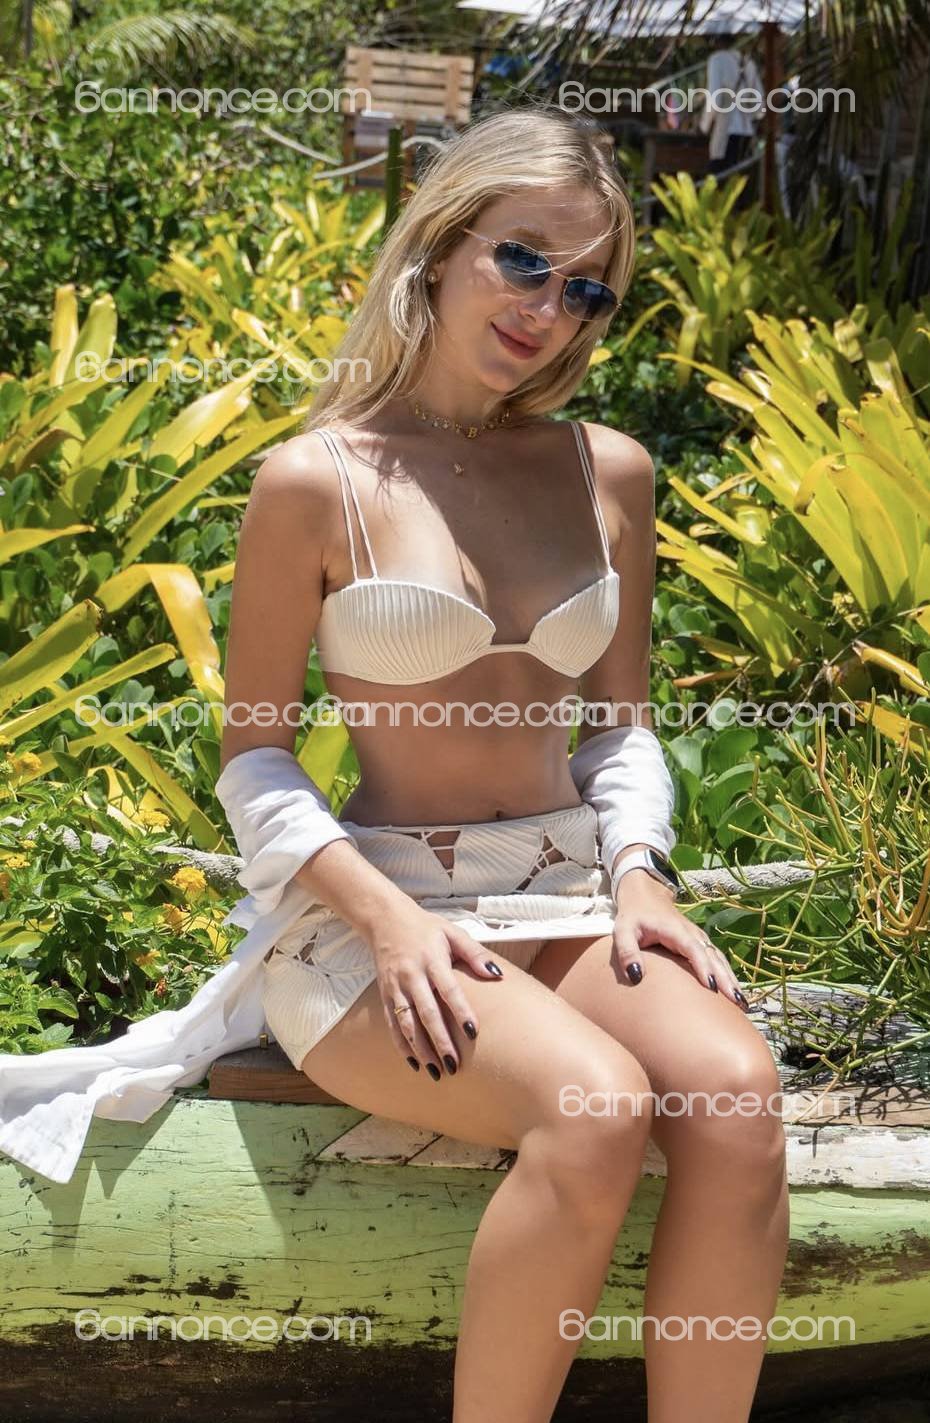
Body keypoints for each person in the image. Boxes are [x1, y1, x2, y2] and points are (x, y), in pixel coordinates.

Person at [217, 105, 789, 1422]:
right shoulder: (314, 480)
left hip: (564, 891)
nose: (548, 310)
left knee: (736, 1094)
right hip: (374, 916)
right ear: (441, 244)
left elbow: (619, 726)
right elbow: (253, 750)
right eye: (523, 259)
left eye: (585, 289)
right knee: (593, 1104)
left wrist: (638, 873)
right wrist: (385, 916)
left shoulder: (608, 472)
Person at [699, 31, 764, 177]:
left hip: (726, 131)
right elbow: (760, 103)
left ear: (715, 41)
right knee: (739, 180)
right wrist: (750, 117)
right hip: (746, 133)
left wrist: (704, 126)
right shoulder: (748, 62)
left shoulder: (716, 60)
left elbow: (714, 99)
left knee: (720, 179)